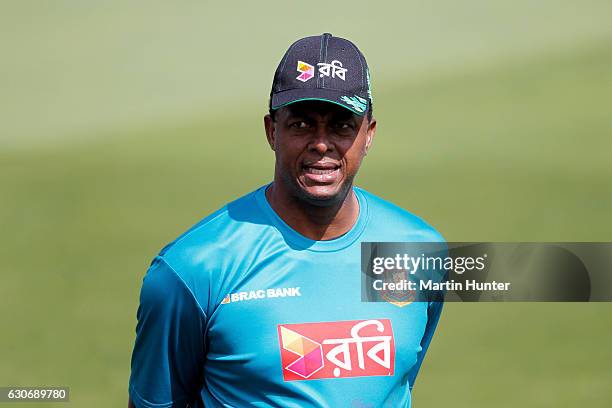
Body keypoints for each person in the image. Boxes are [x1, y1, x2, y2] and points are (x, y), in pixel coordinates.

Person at [128, 33, 444, 408]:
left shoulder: (421, 250)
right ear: (271, 131)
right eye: (301, 125)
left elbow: (398, 387)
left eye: (342, 125)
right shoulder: (191, 268)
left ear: (369, 134)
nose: (322, 144)